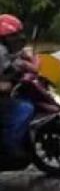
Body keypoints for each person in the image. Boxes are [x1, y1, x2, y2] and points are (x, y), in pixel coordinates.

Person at [0, 15, 36, 158]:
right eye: (13, 35)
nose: (18, 38)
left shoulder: (5, 49)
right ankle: (9, 145)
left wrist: (25, 59)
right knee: (25, 109)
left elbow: (14, 57)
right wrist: (4, 85)